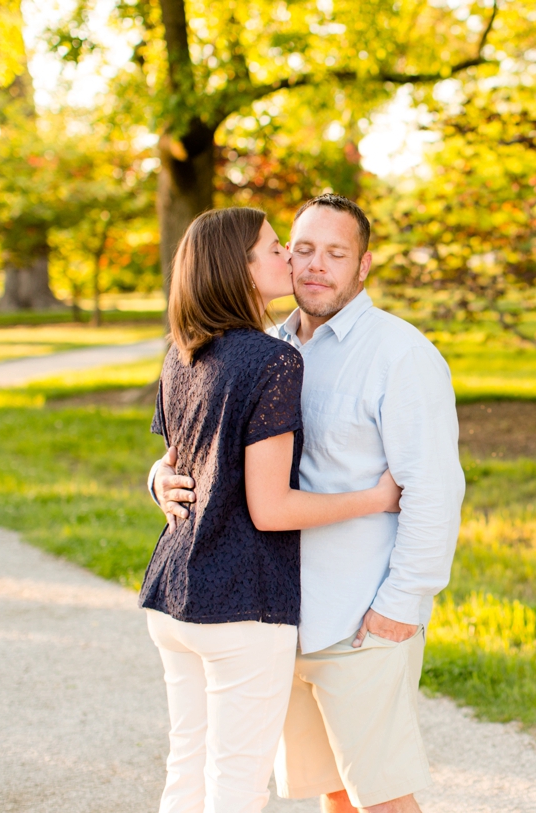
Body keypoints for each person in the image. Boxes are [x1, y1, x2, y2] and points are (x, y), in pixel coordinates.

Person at [152, 194, 465, 813]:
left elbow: (433, 487)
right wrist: (160, 477)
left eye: (336, 253)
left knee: (381, 797)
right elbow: (211, 445)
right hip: (277, 614)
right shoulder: (264, 346)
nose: (316, 265)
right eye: (302, 250)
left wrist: (404, 601)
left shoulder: (400, 354)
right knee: (333, 791)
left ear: (364, 265)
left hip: (361, 616)